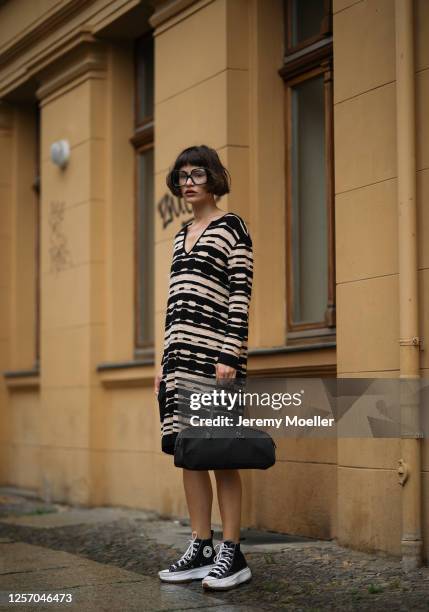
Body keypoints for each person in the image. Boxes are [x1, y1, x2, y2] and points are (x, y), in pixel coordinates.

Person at [154, 144, 254, 591]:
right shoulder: (179, 234)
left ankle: (232, 552)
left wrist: (231, 353)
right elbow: (174, 305)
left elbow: (240, 293)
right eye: (182, 175)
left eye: (197, 173)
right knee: (189, 457)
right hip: (179, 363)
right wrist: (163, 363)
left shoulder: (232, 227)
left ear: (213, 178)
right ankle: (201, 546)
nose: (188, 181)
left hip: (217, 364)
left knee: (220, 454)